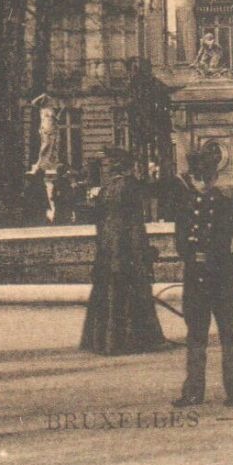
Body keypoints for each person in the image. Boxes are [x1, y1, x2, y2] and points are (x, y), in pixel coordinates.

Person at [171, 145, 233, 408]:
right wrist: (192, 260)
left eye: (207, 177)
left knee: (231, 336)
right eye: (198, 178)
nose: (203, 183)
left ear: (215, 178)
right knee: (196, 338)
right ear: (192, 179)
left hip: (222, 282)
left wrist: (227, 267)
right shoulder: (185, 207)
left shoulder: (229, 206)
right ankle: (193, 392)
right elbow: (181, 242)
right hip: (195, 282)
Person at [80, 149, 165, 355]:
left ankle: (102, 341)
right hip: (126, 245)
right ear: (128, 166)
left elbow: (99, 223)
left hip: (108, 246)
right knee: (131, 289)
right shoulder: (130, 186)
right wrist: (143, 252)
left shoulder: (106, 188)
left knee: (107, 290)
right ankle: (135, 340)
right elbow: (135, 222)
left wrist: (103, 246)